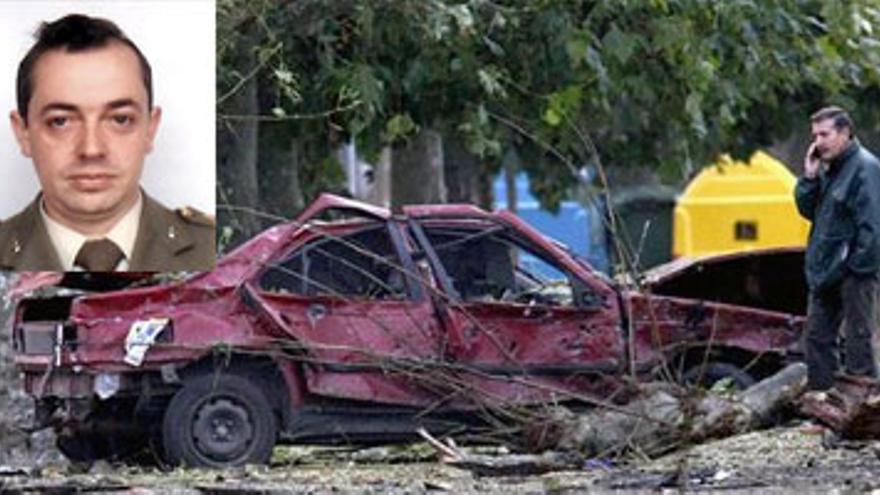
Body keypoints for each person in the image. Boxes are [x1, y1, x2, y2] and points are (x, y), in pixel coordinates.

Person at [0, 13, 214, 272]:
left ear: (150, 128)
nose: (92, 149)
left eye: (120, 119)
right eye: (60, 122)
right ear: (23, 132)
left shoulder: (219, 251)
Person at [795, 106, 880, 390]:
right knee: (816, 340)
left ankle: (864, 408)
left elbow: (873, 226)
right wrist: (809, 177)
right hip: (825, 271)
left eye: (825, 134)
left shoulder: (865, 169)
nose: (819, 142)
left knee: (858, 341)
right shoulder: (828, 169)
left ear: (844, 133)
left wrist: (858, 268)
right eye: (815, 135)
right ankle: (821, 403)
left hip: (854, 272)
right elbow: (809, 211)